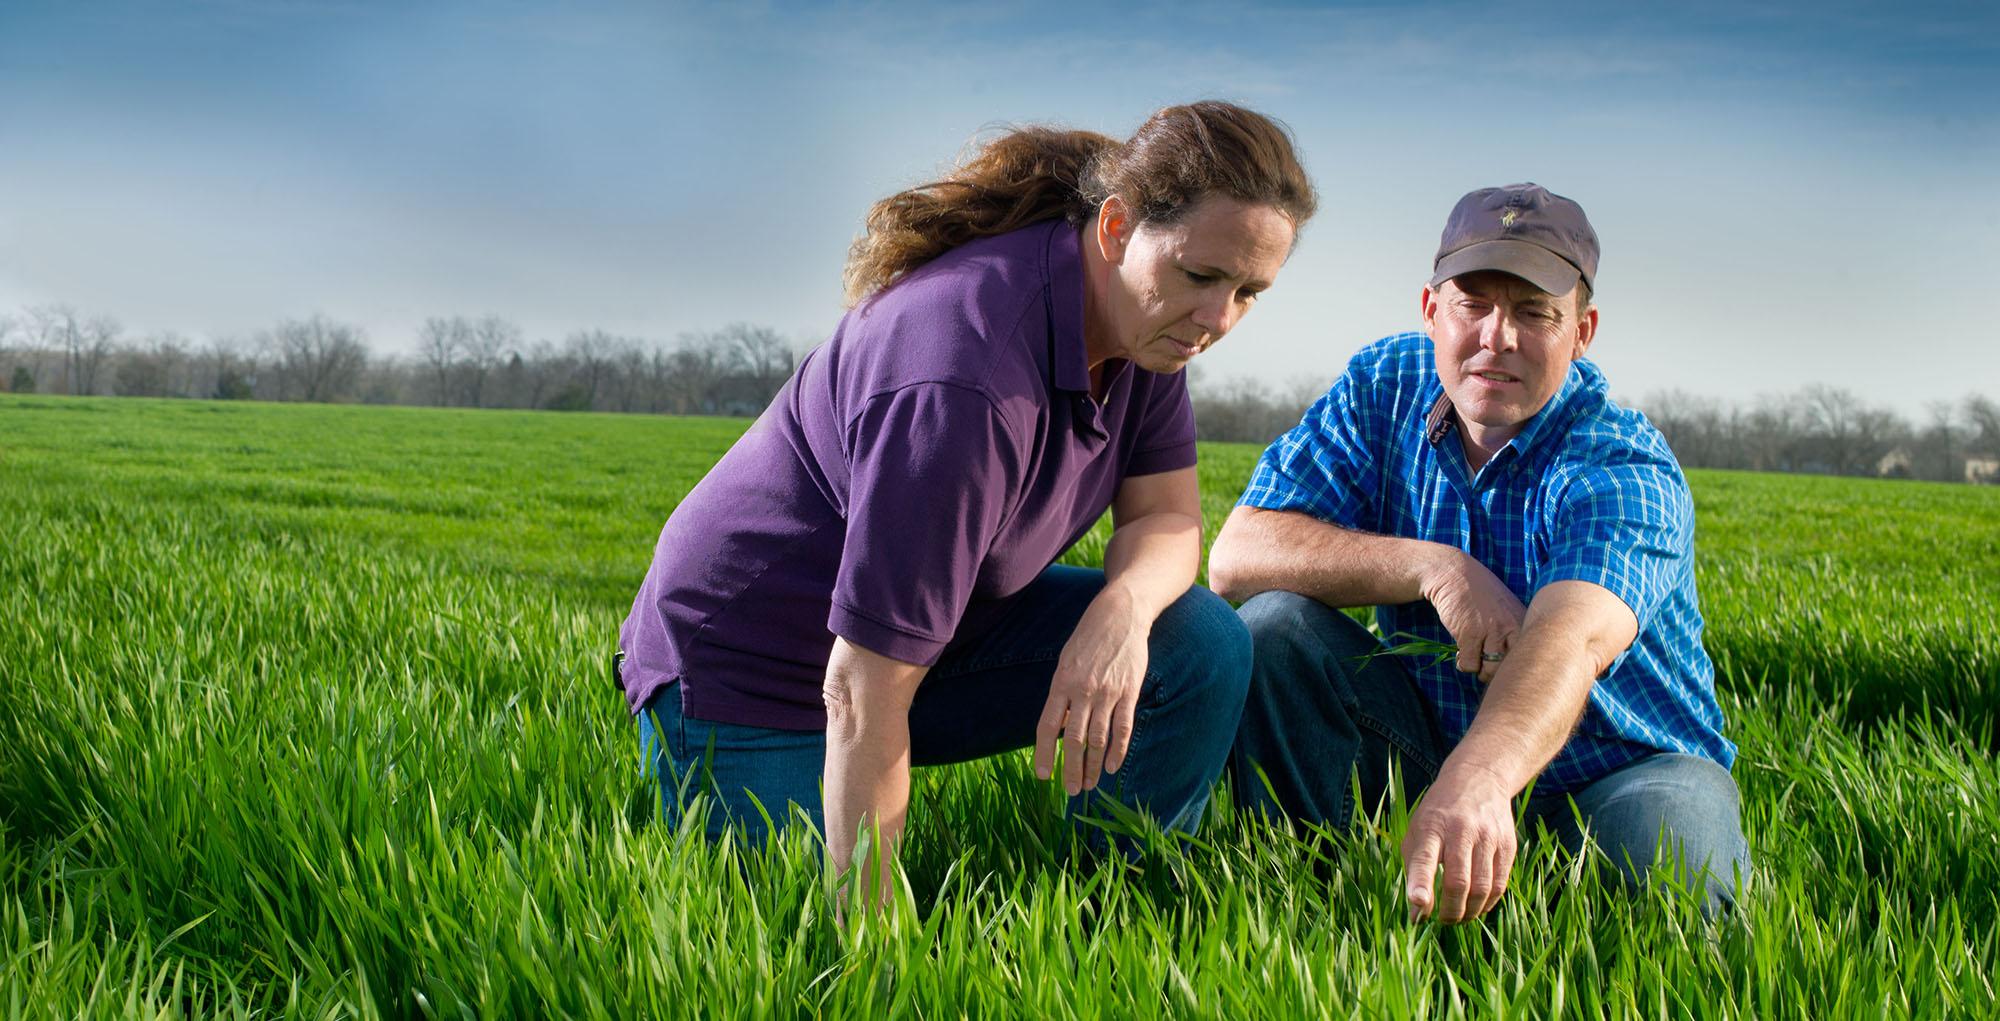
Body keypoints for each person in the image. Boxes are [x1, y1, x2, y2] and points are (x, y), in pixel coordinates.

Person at [617, 102, 1317, 900]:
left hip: (921, 641)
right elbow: (861, 686)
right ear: (1117, 228)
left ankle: (1117, 912)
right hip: (755, 671)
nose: (1218, 319)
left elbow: (1166, 517)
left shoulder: (1148, 330)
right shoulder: (967, 377)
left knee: (1197, 640)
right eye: (1202, 276)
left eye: (1249, 291)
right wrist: (874, 934)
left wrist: (1120, 612)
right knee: (794, 930)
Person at [1209, 183, 1748, 922]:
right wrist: (1434, 567)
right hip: (1429, 735)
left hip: (1621, 764)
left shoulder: (1621, 465)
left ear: (1582, 331)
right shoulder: (1385, 387)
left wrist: (1482, 779)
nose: (1499, 337)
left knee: (1679, 897)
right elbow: (1238, 555)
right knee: (1272, 629)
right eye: (1474, 305)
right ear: (1432, 310)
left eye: (1535, 312)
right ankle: (1317, 903)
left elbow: (1568, 640)